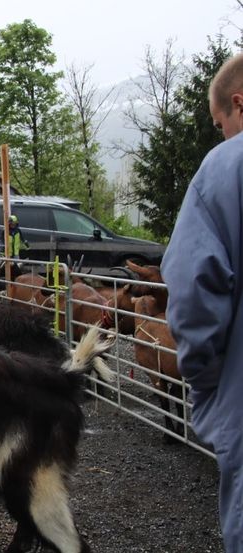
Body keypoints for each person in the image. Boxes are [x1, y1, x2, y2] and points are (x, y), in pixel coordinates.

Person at [161, 52, 243, 553]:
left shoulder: (225, 170)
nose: (222, 136)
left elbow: (192, 292)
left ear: (239, 104)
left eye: (220, 125)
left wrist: (208, 396)